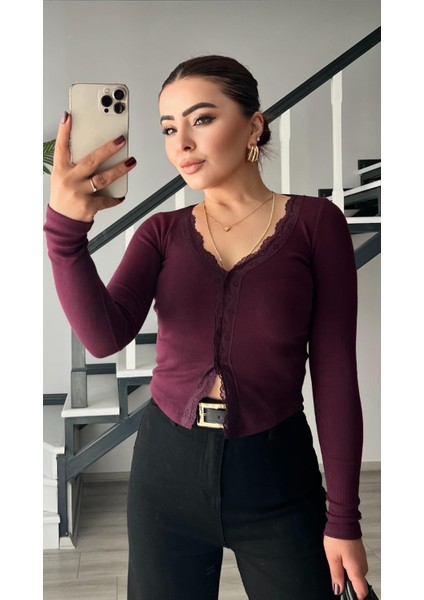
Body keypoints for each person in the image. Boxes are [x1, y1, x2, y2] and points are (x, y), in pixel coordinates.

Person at [44, 55, 370, 599]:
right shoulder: (161, 233)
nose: (182, 144)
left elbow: (336, 375)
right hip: (165, 475)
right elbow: (104, 337)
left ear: (254, 125)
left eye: (201, 119)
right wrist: (65, 234)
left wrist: (344, 518)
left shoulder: (317, 226)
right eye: (169, 129)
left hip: (277, 474)